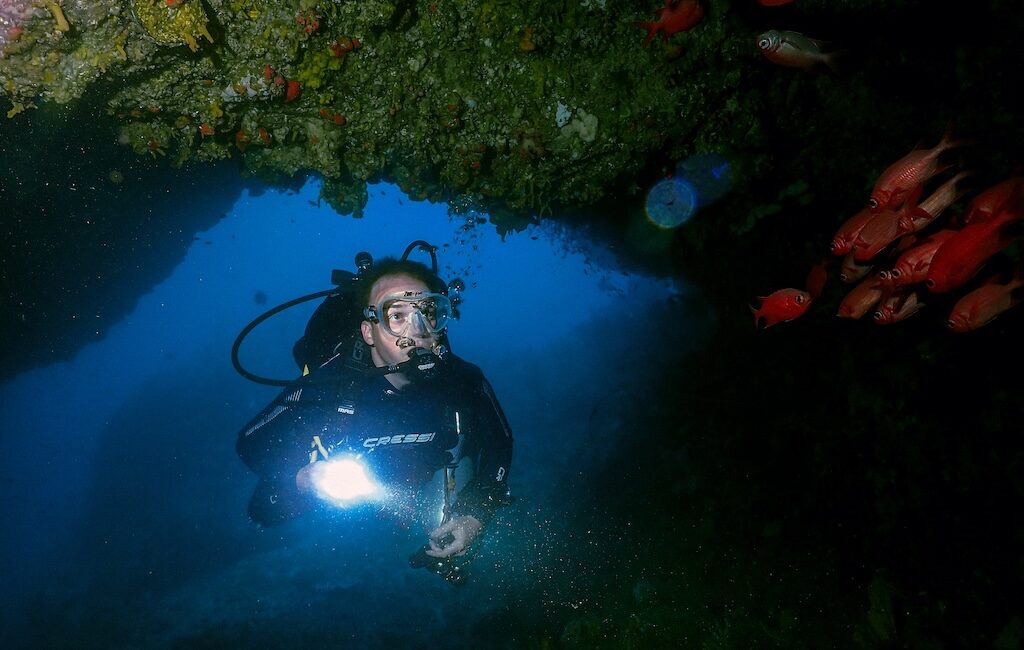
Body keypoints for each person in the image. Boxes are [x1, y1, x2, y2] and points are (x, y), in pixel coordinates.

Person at [236, 258, 513, 572]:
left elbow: (500, 443)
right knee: (264, 510)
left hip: (418, 470)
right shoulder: (329, 385)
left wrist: (474, 516)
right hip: (343, 467)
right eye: (398, 316)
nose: (418, 331)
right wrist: (302, 477)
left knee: (454, 532)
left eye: (428, 313)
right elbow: (249, 442)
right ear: (369, 332)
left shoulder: (464, 380)